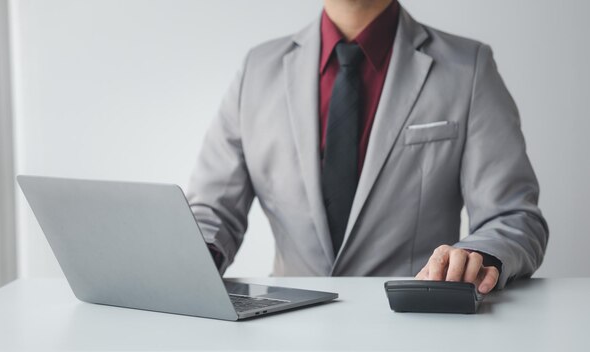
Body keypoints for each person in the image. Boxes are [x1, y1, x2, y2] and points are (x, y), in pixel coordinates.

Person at [186, 0, 548, 294]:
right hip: (287, 326)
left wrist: (474, 258)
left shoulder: (466, 68)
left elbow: (513, 215)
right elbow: (212, 212)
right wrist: (188, 260)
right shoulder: (258, 70)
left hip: (416, 325)